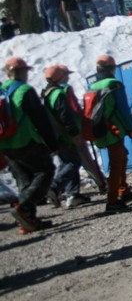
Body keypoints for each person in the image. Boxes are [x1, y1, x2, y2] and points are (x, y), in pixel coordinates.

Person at [1, 58, 58, 233]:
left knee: (23, 179)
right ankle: (23, 207)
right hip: (25, 140)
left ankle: (27, 221)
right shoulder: (24, 90)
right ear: (23, 72)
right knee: (45, 170)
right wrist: (52, 143)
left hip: (6, 143)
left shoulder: (2, 90)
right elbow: (40, 119)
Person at [90, 55, 132, 212]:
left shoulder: (92, 86)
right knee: (117, 163)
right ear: (112, 68)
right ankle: (112, 200)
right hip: (114, 129)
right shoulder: (114, 84)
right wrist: (131, 127)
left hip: (100, 129)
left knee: (122, 157)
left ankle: (123, 189)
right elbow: (123, 109)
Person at [42, 65, 91, 208]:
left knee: (67, 163)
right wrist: (74, 134)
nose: (67, 77)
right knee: (73, 162)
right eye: (65, 75)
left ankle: (73, 194)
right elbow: (66, 116)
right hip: (65, 136)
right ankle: (54, 187)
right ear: (60, 77)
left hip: (56, 136)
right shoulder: (58, 93)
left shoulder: (47, 94)